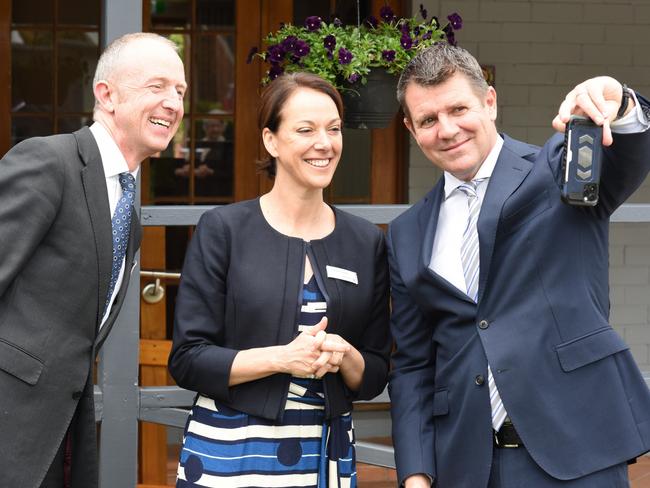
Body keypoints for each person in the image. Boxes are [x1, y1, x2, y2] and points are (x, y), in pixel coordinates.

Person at [387, 43, 650, 488]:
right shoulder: (406, 232)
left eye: (458, 109)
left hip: (576, 451)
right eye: (429, 120)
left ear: (489, 102)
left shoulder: (558, 167)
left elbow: (629, 152)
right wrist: (415, 472)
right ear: (412, 129)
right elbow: (412, 365)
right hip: (466, 466)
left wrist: (620, 100)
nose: (447, 130)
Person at [168, 72, 391, 488]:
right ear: (270, 140)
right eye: (305, 130)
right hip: (230, 452)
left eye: (334, 129)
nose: (324, 143)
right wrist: (283, 359)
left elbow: (376, 372)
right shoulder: (224, 230)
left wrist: (344, 355)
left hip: (325, 453)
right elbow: (188, 359)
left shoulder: (366, 242)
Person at [0, 32, 186, 488]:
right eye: (156, 86)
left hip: (61, 436)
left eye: (179, 92)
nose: (173, 103)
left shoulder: (127, 206)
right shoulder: (48, 161)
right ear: (106, 95)